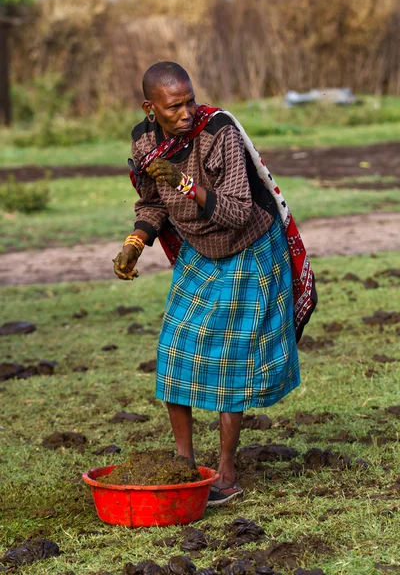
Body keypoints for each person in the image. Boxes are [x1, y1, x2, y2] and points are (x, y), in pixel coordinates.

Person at [113, 61, 317, 505]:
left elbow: (238, 211)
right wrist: (134, 243)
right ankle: (183, 465)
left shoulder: (218, 130)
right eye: (174, 107)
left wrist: (185, 183)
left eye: (190, 101)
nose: (186, 112)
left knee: (232, 362)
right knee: (173, 353)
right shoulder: (144, 140)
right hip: (199, 252)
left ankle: (226, 470)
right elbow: (151, 204)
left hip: (248, 247)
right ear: (151, 108)